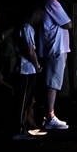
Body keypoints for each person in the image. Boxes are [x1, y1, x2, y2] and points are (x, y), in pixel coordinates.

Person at [40, 0, 73, 130]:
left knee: (53, 82)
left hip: (56, 47)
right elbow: (68, 24)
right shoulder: (52, 3)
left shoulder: (50, 3)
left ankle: (48, 115)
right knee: (52, 83)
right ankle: (50, 117)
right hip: (55, 48)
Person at [13, 8, 46, 140]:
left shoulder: (26, 27)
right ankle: (20, 129)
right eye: (40, 14)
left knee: (28, 99)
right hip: (25, 69)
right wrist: (37, 65)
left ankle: (28, 125)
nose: (41, 18)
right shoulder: (26, 27)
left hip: (28, 69)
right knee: (23, 99)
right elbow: (30, 50)